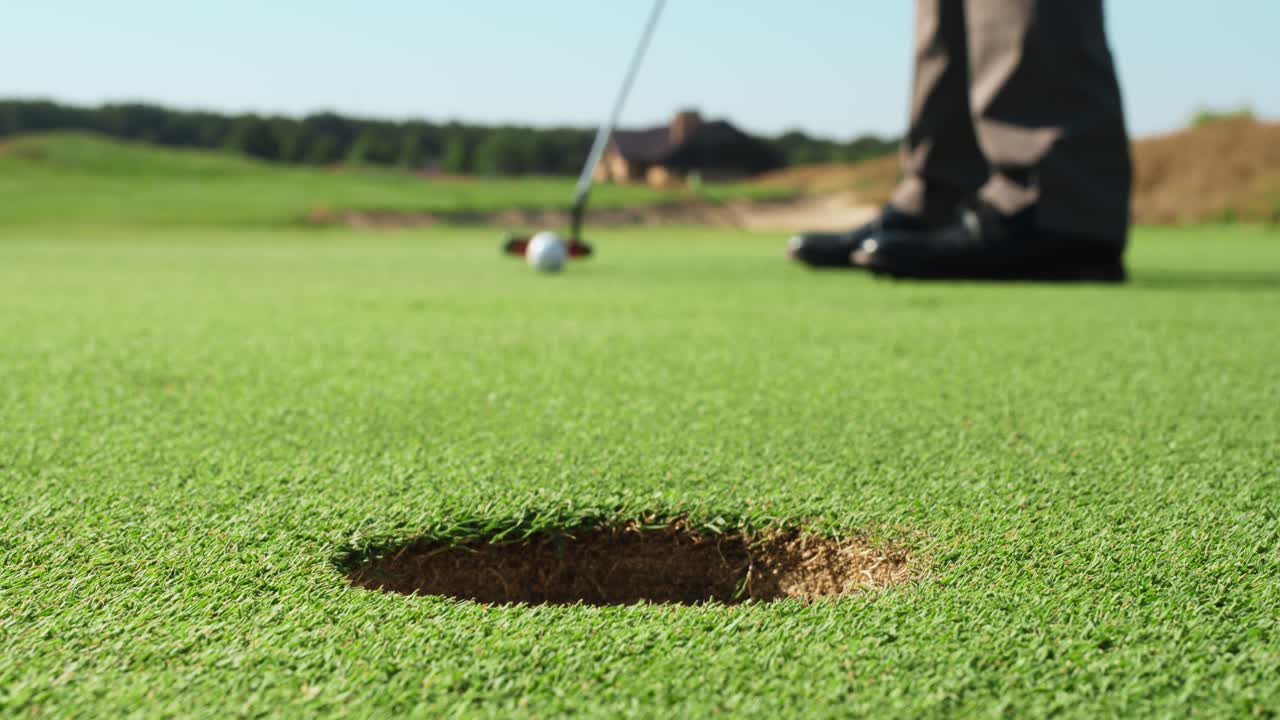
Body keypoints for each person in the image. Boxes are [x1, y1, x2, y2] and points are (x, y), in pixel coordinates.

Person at [788, 0, 1131, 282]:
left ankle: (1054, 203)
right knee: (942, 15)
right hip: (947, 192)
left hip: (1058, 206)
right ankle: (942, 198)